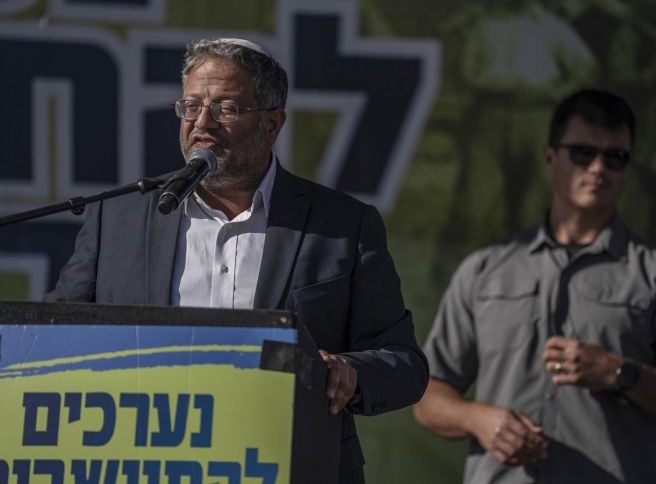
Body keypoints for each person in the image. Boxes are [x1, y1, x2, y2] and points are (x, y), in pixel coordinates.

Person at [45, 37, 428, 483]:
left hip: (290, 464)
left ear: (272, 123)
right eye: (191, 107)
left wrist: (349, 373)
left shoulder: (341, 225)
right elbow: (54, 334)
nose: (201, 123)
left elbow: (404, 364)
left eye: (225, 108)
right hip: (146, 465)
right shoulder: (118, 218)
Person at [413, 89, 656, 483]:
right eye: (583, 153)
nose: (598, 168)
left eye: (615, 157)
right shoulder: (484, 269)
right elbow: (427, 395)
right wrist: (479, 419)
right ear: (550, 156)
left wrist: (619, 372)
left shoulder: (650, 272)